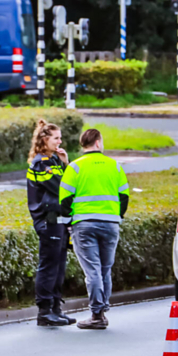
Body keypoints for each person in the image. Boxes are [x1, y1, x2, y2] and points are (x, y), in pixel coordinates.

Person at [59, 129, 130, 330]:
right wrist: (117, 216)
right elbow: (124, 196)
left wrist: (68, 223)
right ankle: (102, 310)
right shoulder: (114, 166)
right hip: (110, 224)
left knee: (92, 270)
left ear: (83, 144)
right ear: (98, 143)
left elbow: (64, 199)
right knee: (105, 269)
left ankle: (97, 314)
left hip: (83, 224)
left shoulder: (74, 167)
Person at [27, 120, 74, 327]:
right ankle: (45, 312)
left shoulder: (53, 160)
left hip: (59, 221)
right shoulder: (41, 163)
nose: (60, 141)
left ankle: (55, 308)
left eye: (60, 138)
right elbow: (63, 188)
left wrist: (64, 163)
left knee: (59, 267)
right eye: (56, 138)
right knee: (49, 267)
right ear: (44, 139)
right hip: (49, 221)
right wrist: (65, 167)